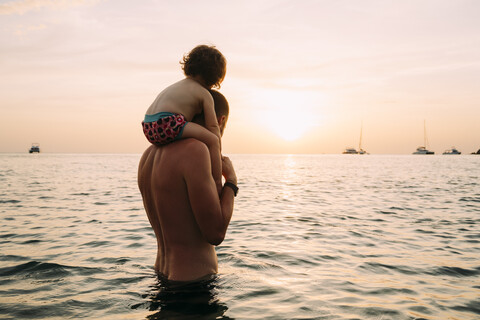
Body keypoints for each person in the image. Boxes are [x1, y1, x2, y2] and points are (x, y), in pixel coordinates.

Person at [138, 90, 238, 282]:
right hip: (193, 285)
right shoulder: (195, 152)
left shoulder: (148, 155)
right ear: (221, 121)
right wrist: (231, 182)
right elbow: (215, 233)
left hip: (159, 275)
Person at [142, 44, 226, 194]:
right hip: (167, 123)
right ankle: (217, 183)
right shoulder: (204, 93)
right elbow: (213, 127)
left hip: (148, 125)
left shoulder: (175, 86)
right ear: (216, 77)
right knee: (213, 140)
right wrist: (217, 152)